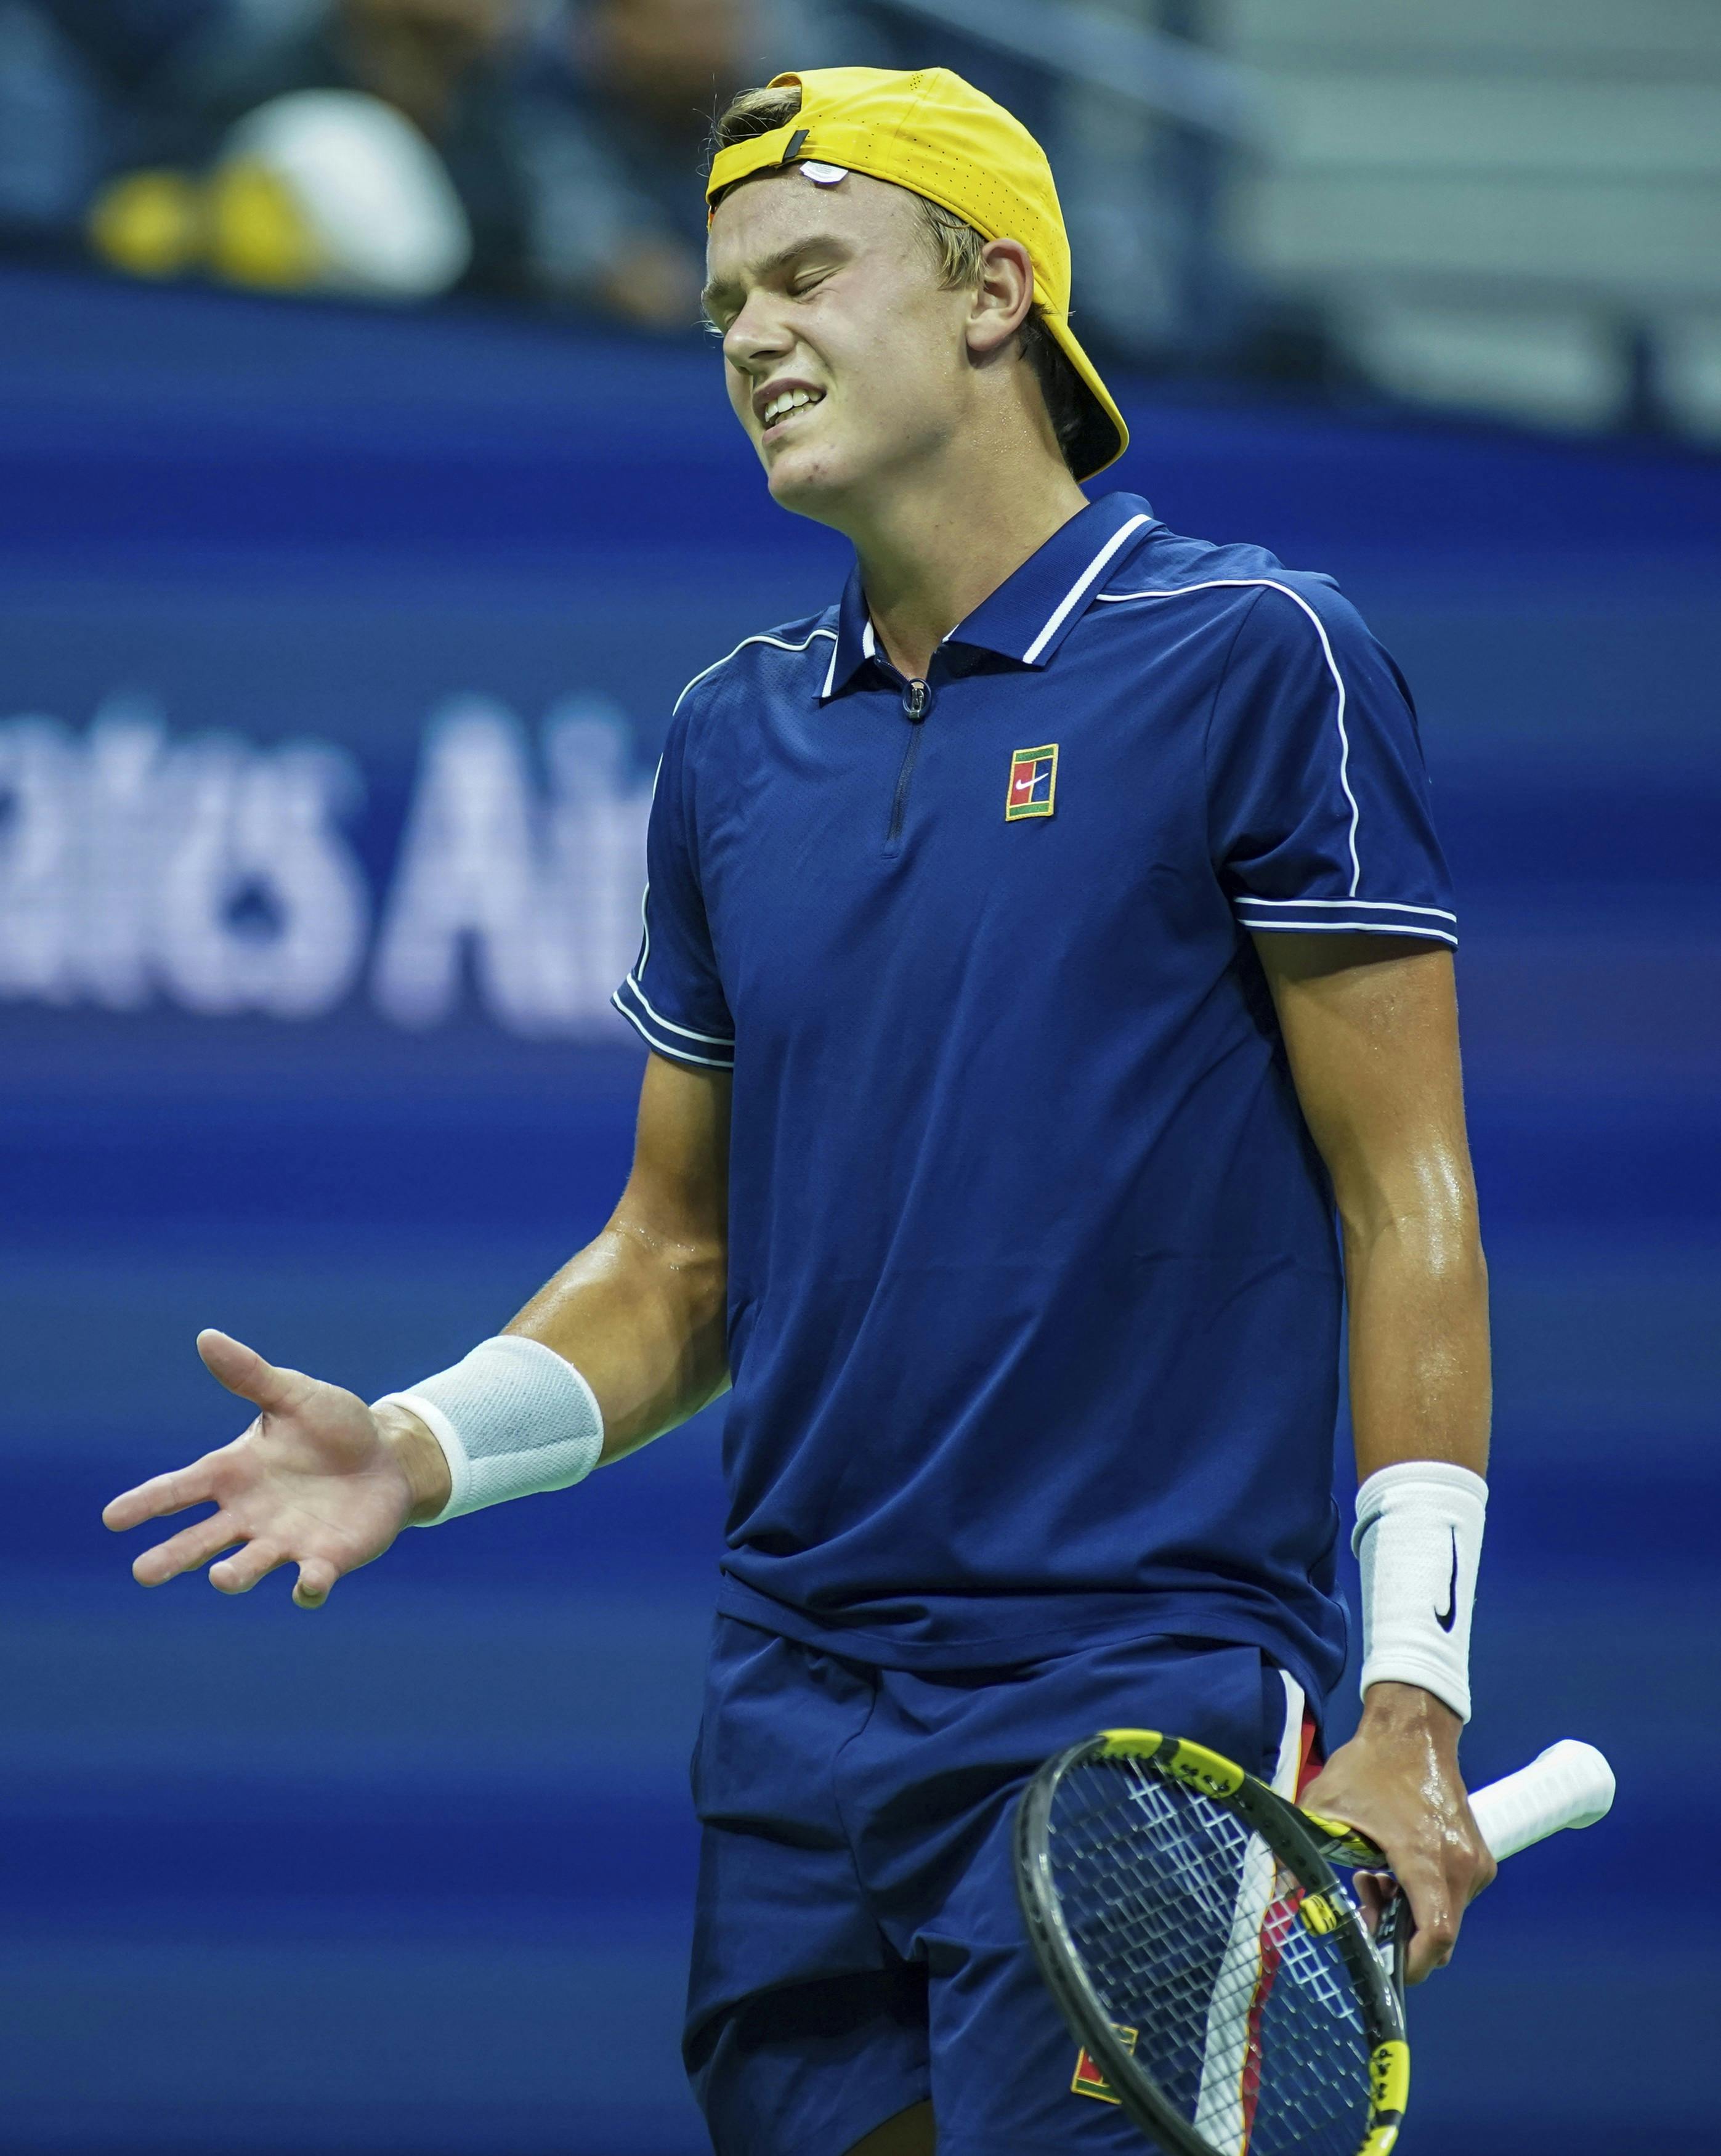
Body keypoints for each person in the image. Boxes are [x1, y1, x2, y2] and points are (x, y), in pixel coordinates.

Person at [105, 65, 1497, 2156]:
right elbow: (680, 1258)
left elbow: (1408, 1194)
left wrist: (1409, 1707)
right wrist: (415, 1442)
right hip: (790, 1716)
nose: (749, 334)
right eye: (722, 302)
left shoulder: (1254, 656)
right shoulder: (731, 738)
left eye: (806, 273)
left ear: (993, 292)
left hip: (1123, 1695)